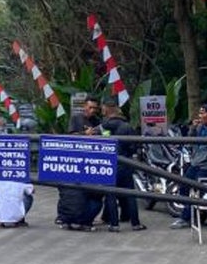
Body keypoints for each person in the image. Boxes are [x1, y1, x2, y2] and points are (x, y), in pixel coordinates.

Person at [170, 103, 207, 229]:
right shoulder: (200, 127)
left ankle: (185, 218)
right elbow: (190, 141)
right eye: (200, 113)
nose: (200, 116)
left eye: (203, 113)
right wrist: (193, 128)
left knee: (197, 191)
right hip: (196, 162)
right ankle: (195, 212)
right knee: (183, 187)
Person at [57, 95, 104, 230]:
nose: (93, 110)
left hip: (92, 158)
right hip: (76, 157)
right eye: (90, 107)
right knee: (68, 190)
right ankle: (63, 217)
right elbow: (70, 136)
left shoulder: (96, 120)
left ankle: (85, 217)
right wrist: (85, 133)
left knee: (93, 191)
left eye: (95, 108)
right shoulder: (76, 118)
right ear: (84, 107)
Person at [100, 99, 146, 232]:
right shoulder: (127, 127)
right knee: (130, 194)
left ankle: (114, 224)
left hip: (108, 163)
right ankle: (135, 223)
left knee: (110, 194)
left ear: (106, 111)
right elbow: (133, 146)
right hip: (125, 163)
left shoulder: (103, 126)